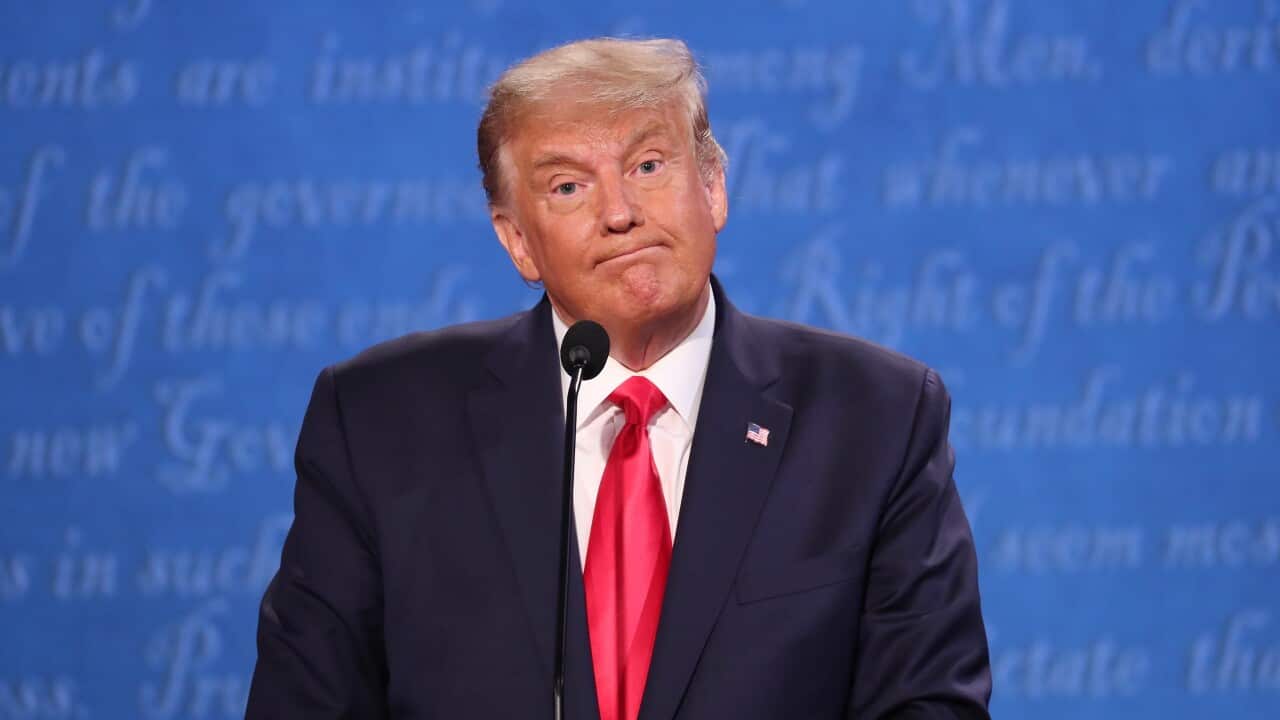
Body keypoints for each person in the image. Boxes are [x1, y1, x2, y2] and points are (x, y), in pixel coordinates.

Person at [246, 37, 991, 719]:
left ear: (714, 187)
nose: (620, 213)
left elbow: (928, 707)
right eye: (568, 187)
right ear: (517, 241)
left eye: (647, 166)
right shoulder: (380, 422)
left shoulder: (876, 419)